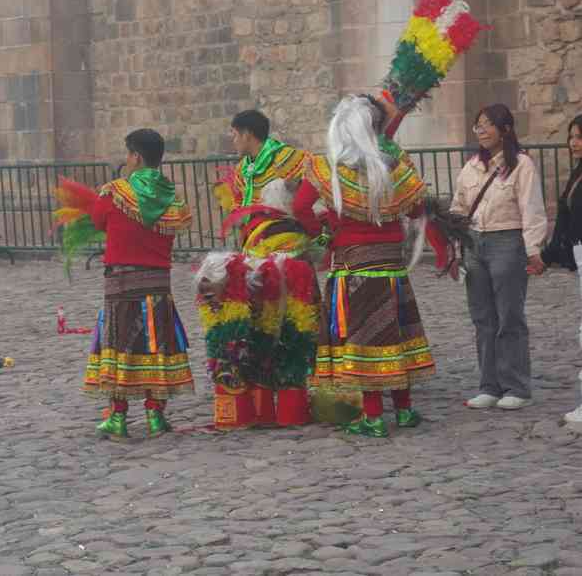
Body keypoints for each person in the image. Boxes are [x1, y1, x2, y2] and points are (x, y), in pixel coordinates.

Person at [293, 95, 436, 437]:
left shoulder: (328, 171)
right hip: (391, 269)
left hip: (352, 269)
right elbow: (416, 211)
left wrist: (324, 230)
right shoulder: (394, 169)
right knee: (396, 334)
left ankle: (373, 416)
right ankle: (403, 410)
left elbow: (300, 208)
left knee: (366, 337)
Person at [75, 129, 194, 439]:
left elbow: (98, 222)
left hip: (121, 283)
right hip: (158, 284)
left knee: (118, 345)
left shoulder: (115, 192)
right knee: (158, 346)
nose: (126, 160)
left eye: (128, 154)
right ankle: (156, 415)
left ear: (137, 157)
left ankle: (118, 417)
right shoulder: (172, 198)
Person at [209, 110, 318, 429]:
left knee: (293, 325)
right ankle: (263, 399)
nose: (232, 140)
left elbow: (316, 178)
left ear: (247, 134)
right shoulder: (243, 169)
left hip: (287, 253)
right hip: (254, 254)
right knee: (261, 326)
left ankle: (295, 396)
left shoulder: (287, 157)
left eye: (234, 134)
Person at [451, 104, 547, 410]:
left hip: (507, 241)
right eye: (477, 125)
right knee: (483, 318)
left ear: (505, 129)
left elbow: (532, 208)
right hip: (475, 243)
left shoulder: (521, 165)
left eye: (487, 124)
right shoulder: (470, 167)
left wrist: (533, 249)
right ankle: (489, 385)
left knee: (509, 316)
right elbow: (459, 207)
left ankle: (515, 386)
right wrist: (454, 244)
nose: (480, 130)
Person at [541, 115, 582, 423]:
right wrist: (548, 255)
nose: (574, 142)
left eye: (579, 137)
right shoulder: (577, 174)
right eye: (571, 137)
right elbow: (566, 222)